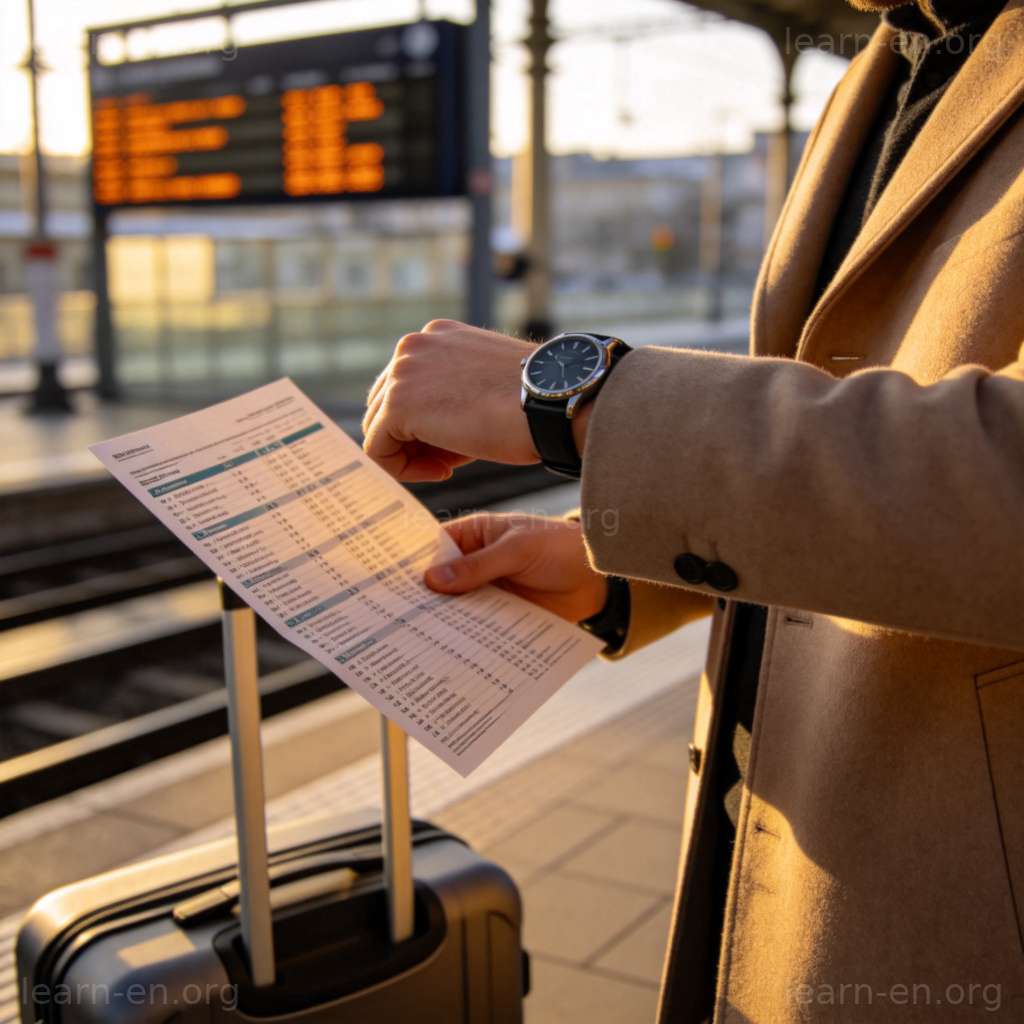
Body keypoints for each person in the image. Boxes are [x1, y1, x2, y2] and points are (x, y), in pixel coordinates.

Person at [362, 1, 1024, 1019]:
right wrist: (620, 571)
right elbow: (856, 443)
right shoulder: (881, 70)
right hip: (774, 860)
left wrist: (584, 400)